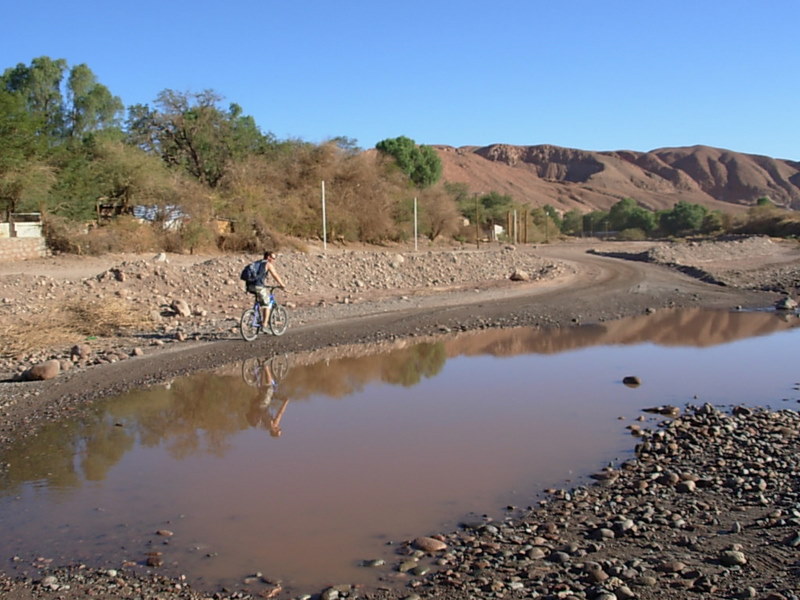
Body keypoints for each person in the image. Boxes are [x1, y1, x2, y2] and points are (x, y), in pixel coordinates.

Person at [250, 250, 286, 327]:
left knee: (261, 300)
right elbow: (275, 275)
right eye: (273, 258)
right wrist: (282, 285)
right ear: (268, 257)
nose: (274, 260)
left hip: (249, 286)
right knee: (267, 305)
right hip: (258, 286)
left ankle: (256, 314)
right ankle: (264, 324)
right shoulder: (268, 264)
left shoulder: (257, 263)